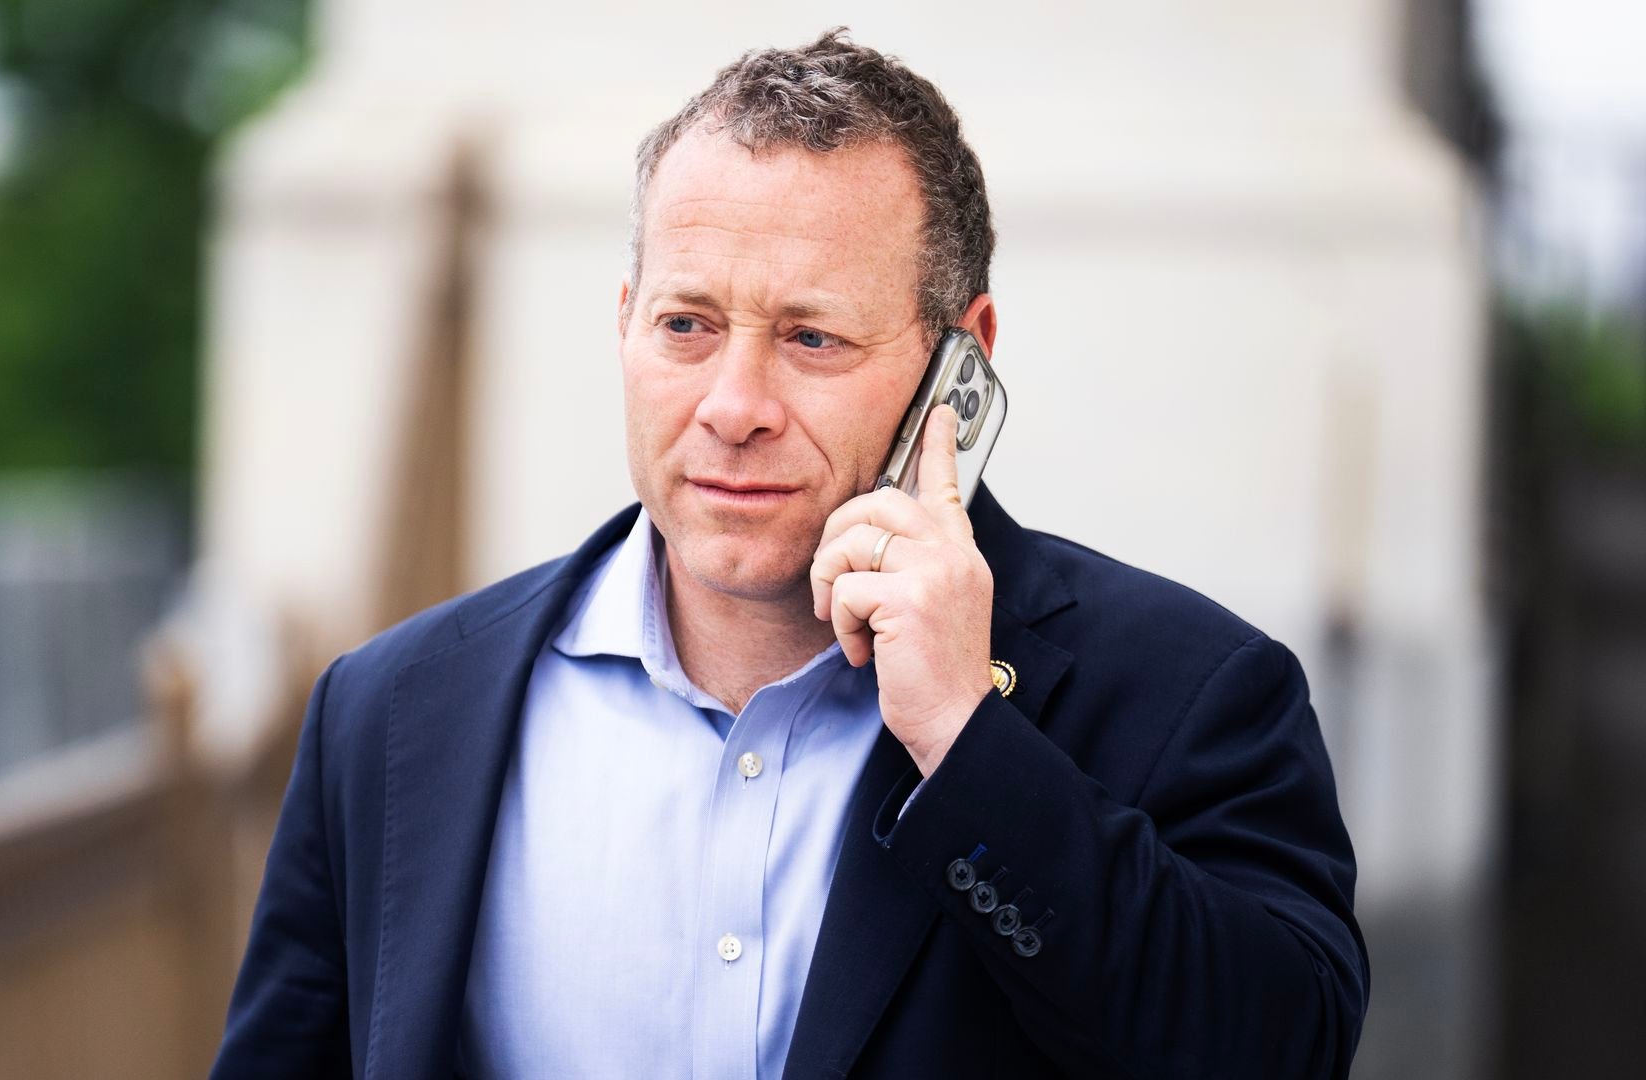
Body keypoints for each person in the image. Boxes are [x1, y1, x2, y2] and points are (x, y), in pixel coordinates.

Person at [210, 28, 1368, 1080]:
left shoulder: (1194, 692)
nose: (734, 404)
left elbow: (1283, 1052)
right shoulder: (392, 710)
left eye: (811, 337)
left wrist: (970, 746)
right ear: (625, 324)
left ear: (960, 362)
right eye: (687, 325)